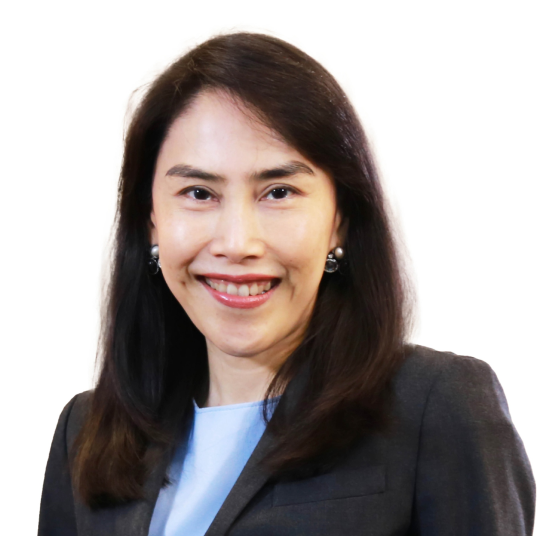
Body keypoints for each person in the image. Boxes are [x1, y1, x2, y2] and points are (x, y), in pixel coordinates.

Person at [38, 32, 536, 536]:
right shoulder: (86, 433)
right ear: (151, 220)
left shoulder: (435, 407)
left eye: (278, 192)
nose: (237, 243)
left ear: (340, 219)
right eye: (198, 192)